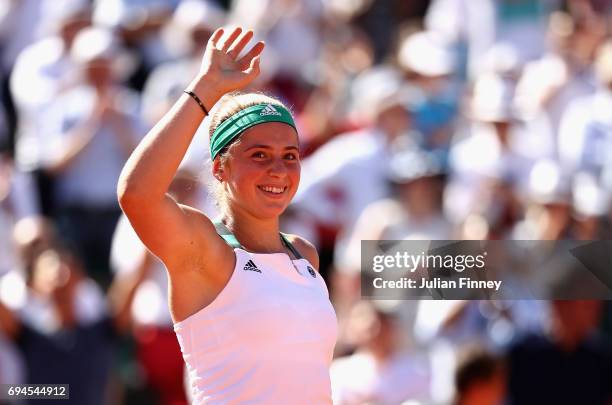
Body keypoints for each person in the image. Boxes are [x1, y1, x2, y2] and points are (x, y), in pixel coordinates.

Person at [117, 26, 338, 404]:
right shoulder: (204, 249)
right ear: (220, 167)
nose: (278, 170)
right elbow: (137, 194)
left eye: (290, 156)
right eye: (259, 155)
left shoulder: (305, 255)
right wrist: (205, 88)